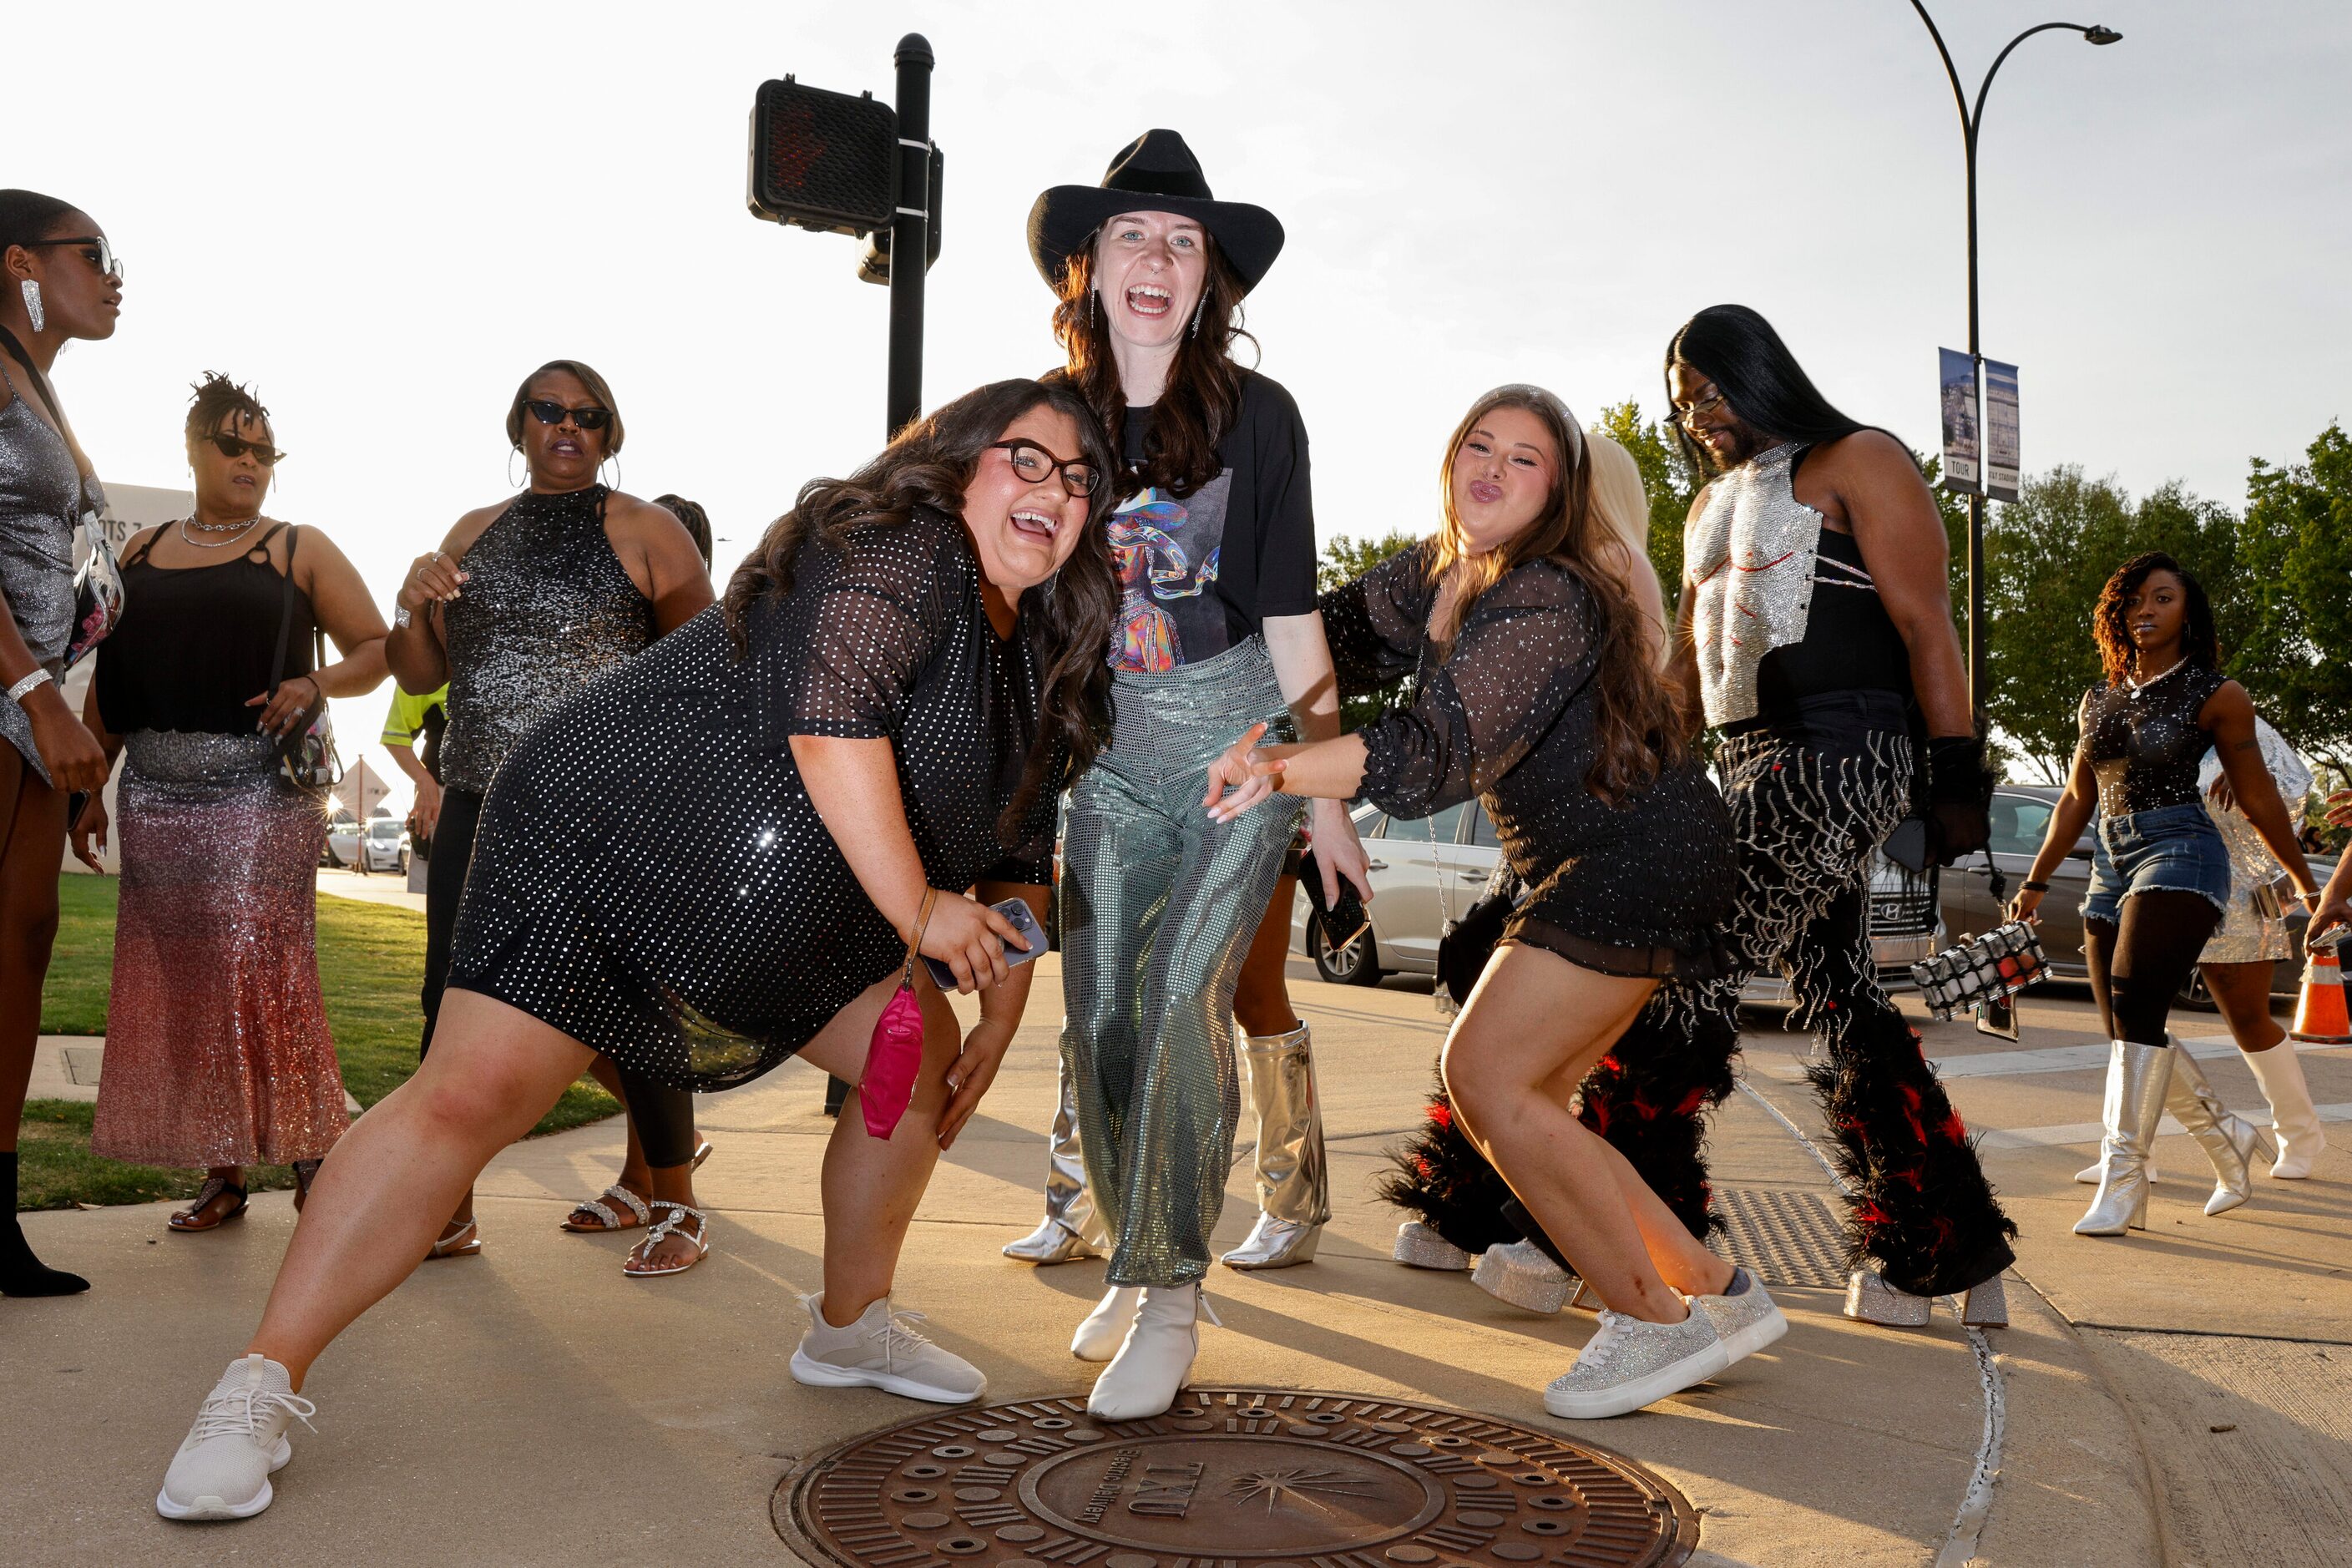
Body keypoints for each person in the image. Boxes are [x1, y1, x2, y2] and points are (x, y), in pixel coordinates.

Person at [152, 378, 1120, 1522]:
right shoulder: (896, 546)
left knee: (913, 1056)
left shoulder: (1042, 648)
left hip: (774, 892)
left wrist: (1003, 980)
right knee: (468, 1097)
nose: (1052, 489)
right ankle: (258, 1381)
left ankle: (850, 1329)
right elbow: (831, 718)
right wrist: (921, 916)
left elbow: (1016, 832)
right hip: (610, 830)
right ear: (956, 464)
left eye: (1079, 477)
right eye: (1024, 456)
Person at [1206, 384, 1782, 1420]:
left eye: (1525, 459)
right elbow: (1319, 626)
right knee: (1525, 1098)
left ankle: (1649, 1324)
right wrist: (1223, 627)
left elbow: (1433, 761)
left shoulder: (1546, 595)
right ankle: (1718, 1294)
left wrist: (1283, 770)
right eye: (1479, 444)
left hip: (1630, 851)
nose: (1492, 469)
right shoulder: (1442, 570)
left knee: (1484, 1074)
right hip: (1616, 852)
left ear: (1558, 493)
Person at [1016, 131, 1374, 1416]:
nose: (1157, 259)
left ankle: (1172, 1290)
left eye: (1182, 241)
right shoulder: (1043, 424)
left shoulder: (1260, 418)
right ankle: (1131, 1244)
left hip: (1238, 753)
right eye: (1131, 236)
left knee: (1183, 1004)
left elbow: (1291, 620)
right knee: (1098, 1022)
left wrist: (1318, 789)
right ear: (1090, 266)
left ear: (1208, 274)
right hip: (1104, 759)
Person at [1635, 305, 2019, 1327]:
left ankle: (1621, 1247)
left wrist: (1955, 774)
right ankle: (1950, 1257)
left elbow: (1924, 620)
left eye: (1711, 393)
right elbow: (1688, 664)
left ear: (1760, 375)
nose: (1697, 418)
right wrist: (1641, 770)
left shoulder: (1862, 458)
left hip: (1844, 753)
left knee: (1689, 965)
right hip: (1746, 759)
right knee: (1844, 993)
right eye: (1683, 406)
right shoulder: (1709, 505)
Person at [387, 360, 714, 1274]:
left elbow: (703, 673)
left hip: (603, 809)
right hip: (478, 806)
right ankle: (449, 1208)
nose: (566, 426)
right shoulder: (471, 533)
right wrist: (411, 601)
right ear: (518, 424)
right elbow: (418, 675)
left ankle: (678, 1205)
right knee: (446, 1002)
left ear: (610, 435)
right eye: (547, 411)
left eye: (588, 415)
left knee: (631, 1003)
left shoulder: (646, 530)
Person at [73, 376, 388, 1227]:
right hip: (152, 793)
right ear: (195, 449)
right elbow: (112, 673)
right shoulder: (137, 552)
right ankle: (225, 1168)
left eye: (264, 451)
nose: (250, 462)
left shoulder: (296, 547)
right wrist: (93, 783)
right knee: (189, 989)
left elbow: (374, 649)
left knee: (262, 975)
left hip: (258, 794)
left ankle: (315, 1159)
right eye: (233, 445)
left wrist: (314, 683)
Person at [2011, 554, 2320, 1234]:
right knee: (2125, 1024)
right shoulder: (2098, 699)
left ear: (2188, 611)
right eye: (2133, 601)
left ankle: (2125, 1181)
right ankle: (2227, 1138)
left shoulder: (2217, 695)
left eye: (2161, 598)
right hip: (2109, 858)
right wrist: (2035, 879)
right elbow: (2074, 797)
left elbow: (2260, 794)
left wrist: (2302, 879)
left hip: (2184, 848)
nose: (2144, 611)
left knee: (2134, 999)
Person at [0, 190, 119, 1297]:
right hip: (9, 695)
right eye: (97, 254)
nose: (114, 275)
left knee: (24, 939)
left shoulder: (40, 384)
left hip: (36, 705)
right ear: (21, 260)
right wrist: (37, 690)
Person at [2069, 718, 2328, 1183]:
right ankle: (2133, 1154)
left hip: (2237, 884)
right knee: (2133, 1019)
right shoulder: (2142, 718)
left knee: (2246, 1018)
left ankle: (2300, 1135)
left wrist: (2255, 774)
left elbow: (2292, 794)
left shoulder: (2235, 715)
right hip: (2163, 877)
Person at [380, 681, 446, 871]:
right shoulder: (428, 665)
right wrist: (424, 782)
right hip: (441, 797)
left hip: (516, 796)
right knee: (445, 891)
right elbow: (395, 737)